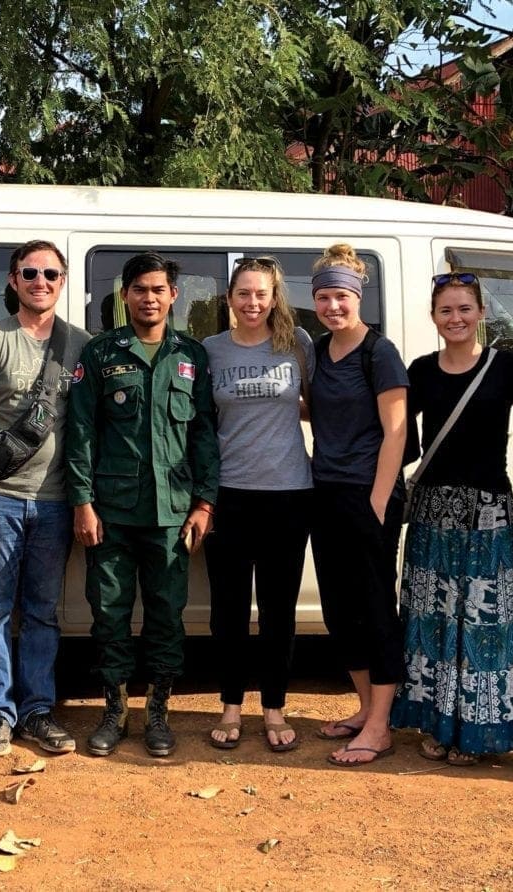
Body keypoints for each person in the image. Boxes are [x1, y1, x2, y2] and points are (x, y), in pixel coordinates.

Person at [66, 252, 219, 758]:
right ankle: (115, 711)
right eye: (140, 289)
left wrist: (204, 504)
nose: (149, 298)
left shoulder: (191, 356)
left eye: (158, 289)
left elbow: (203, 436)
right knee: (108, 614)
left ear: (173, 296)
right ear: (125, 296)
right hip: (112, 513)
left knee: (166, 616)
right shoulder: (102, 353)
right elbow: (82, 431)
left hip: (172, 514)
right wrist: (82, 502)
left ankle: (158, 712)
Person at [390, 272, 513, 765]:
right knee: (432, 621)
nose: (454, 318)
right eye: (445, 311)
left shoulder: (509, 370)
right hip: (433, 509)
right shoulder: (420, 371)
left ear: (480, 313)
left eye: (463, 309)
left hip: (488, 511)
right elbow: (390, 431)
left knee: (484, 624)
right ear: (433, 317)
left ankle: (480, 731)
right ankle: (437, 725)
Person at [0, 240, 90, 759]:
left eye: (51, 274)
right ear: (13, 280)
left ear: (61, 281)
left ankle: (36, 710)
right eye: (30, 273)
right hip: (0, 501)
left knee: (41, 613)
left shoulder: (78, 344)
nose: (41, 282)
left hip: (55, 503)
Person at [201, 257, 313, 752]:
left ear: (274, 297)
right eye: (243, 294)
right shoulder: (210, 351)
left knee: (277, 610)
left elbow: (320, 405)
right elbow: (201, 423)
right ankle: (229, 707)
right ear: (230, 297)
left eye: (261, 294)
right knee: (226, 610)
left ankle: (274, 708)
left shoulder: (299, 345)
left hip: (289, 494)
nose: (252, 303)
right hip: (228, 495)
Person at [308, 244, 408, 766]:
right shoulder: (319, 351)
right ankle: (366, 709)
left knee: (374, 609)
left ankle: (381, 725)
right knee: (338, 610)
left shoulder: (379, 351)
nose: (332, 306)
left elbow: (396, 432)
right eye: (323, 296)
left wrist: (377, 502)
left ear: (358, 297)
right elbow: (313, 409)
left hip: (370, 495)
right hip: (324, 493)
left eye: (341, 296)